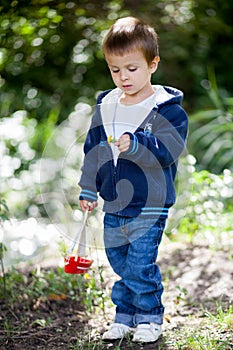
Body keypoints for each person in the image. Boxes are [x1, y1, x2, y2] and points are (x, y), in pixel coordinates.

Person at [78, 16, 188, 343]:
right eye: (115, 69)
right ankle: (124, 316)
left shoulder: (167, 109)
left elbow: (169, 150)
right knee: (119, 261)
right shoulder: (108, 104)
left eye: (131, 68)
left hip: (150, 202)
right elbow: (93, 149)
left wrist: (138, 145)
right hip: (114, 201)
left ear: (152, 64)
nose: (123, 77)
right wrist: (88, 187)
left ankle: (150, 317)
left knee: (140, 263)